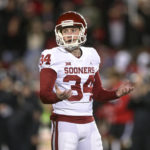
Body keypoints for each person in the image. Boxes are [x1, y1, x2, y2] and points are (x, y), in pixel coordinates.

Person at [39, 11, 134, 150]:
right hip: (65, 122)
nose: (69, 34)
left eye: (73, 30)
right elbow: (44, 95)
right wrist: (57, 97)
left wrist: (115, 94)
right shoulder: (52, 55)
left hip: (89, 123)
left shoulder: (91, 54)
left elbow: (97, 93)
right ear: (59, 34)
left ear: (82, 32)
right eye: (65, 31)